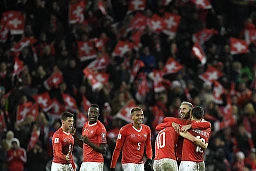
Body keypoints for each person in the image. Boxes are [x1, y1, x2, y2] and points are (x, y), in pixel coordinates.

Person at [110, 107, 153, 171]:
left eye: (142, 115)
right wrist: (112, 166)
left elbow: (148, 147)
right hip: (128, 163)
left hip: (140, 162)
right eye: (137, 115)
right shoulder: (124, 130)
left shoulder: (147, 129)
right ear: (132, 117)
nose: (140, 117)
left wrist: (149, 159)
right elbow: (118, 148)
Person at [73, 104, 107, 171]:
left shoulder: (101, 128)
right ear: (88, 113)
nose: (93, 114)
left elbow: (103, 149)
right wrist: (74, 136)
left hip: (95, 163)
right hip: (85, 162)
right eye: (91, 112)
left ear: (98, 115)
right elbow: (84, 145)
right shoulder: (85, 125)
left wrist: (88, 142)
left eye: (95, 113)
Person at [179, 106, 211, 171]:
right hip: (200, 162)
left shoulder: (187, 125)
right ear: (202, 117)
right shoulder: (207, 129)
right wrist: (204, 145)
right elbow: (208, 124)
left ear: (191, 115)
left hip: (188, 162)